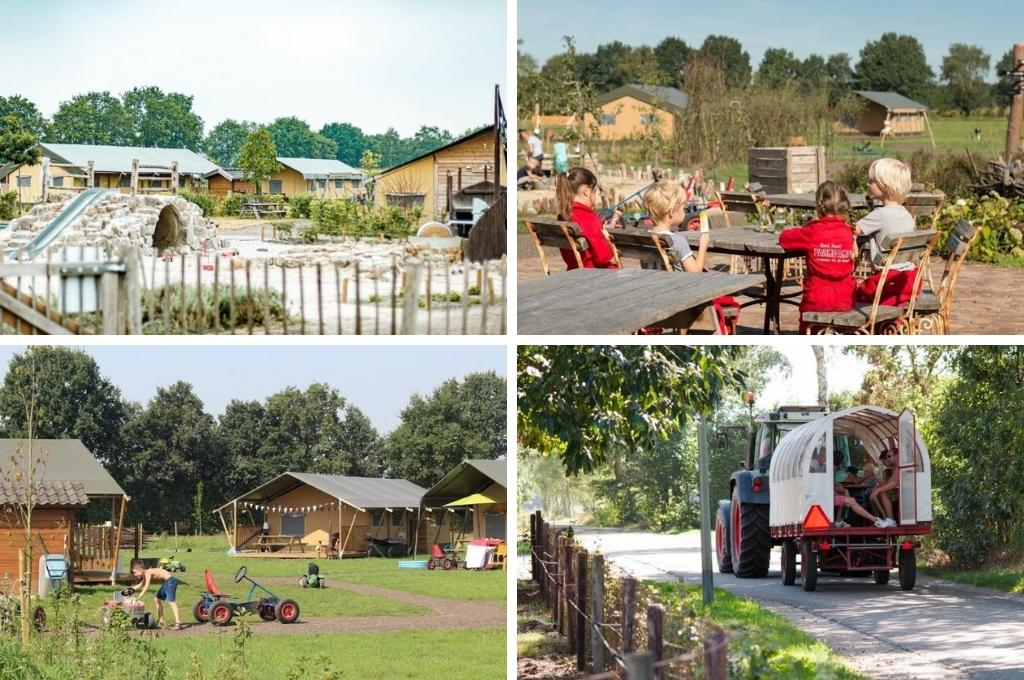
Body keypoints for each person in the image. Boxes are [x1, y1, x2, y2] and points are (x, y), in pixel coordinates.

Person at [778, 181, 856, 334]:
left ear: (819, 207)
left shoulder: (812, 231)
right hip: (845, 298)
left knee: (806, 327)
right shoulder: (848, 231)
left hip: (817, 299)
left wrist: (806, 226)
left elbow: (784, 239)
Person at [854, 158, 919, 306]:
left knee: (855, 293)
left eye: (872, 181)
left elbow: (853, 230)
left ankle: (885, 322)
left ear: (885, 186)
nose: (868, 184)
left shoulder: (880, 214)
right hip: (911, 279)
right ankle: (895, 319)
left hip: (888, 280)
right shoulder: (906, 214)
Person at [554, 167, 618, 270]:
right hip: (594, 274)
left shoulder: (563, 216)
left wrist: (601, 230)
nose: (595, 196)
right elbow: (604, 258)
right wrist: (607, 239)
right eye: (595, 191)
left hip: (574, 270)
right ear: (586, 191)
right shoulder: (588, 217)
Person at [641, 180, 709, 272]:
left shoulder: (644, 238)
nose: (684, 211)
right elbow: (695, 272)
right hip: (676, 285)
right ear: (672, 212)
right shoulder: (677, 241)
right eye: (683, 208)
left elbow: (644, 265)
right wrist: (703, 247)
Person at [130, 560, 182, 630]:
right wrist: (128, 590)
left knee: (171, 602)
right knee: (156, 599)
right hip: (166, 582)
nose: (135, 575)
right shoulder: (146, 573)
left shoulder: (148, 573)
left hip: (170, 582)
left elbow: (146, 586)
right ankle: (161, 620)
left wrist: (139, 597)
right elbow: (140, 585)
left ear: (141, 570)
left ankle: (178, 623)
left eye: (135, 572)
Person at [869, 448, 900, 523]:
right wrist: (878, 488)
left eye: (889, 456)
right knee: (875, 491)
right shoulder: (894, 467)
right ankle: (881, 519)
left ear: (897, 456)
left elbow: (894, 483)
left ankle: (890, 519)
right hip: (897, 491)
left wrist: (878, 490)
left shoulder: (899, 467)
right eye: (887, 457)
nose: (887, 459)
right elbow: (890, 482)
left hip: (902, 494)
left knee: (882, 492)